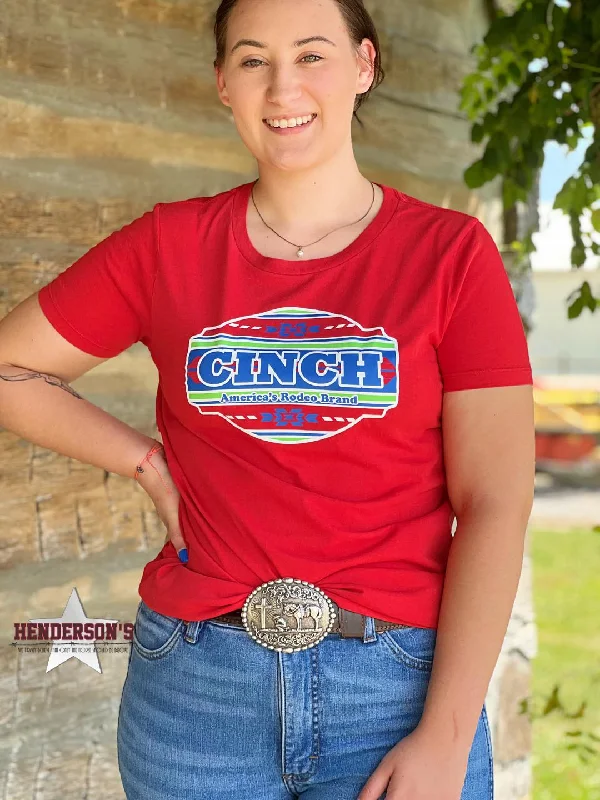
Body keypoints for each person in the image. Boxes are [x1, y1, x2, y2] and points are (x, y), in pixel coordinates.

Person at [0, 0, 535, 797]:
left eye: (312, 55)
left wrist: (448, 735)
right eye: (252, 60)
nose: (282, 86)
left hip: (394, 688)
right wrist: (143, 461)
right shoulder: (167, 247)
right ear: (223, 83)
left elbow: (495, 499)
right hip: (194, 689)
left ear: (364, 65)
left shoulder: (449, 256)